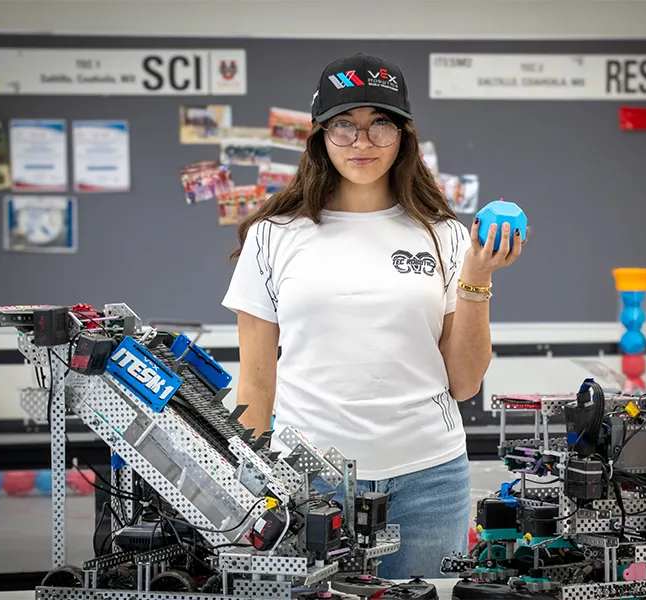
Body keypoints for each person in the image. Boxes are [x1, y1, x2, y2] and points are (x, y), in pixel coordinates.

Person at [221, 53, 527, 580]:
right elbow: (254, 385)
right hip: (310, 483)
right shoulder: (274, 236)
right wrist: (243, 489)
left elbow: (465, 380)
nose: (361, 142)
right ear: (320, 135)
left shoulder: (446, 235)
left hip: (429, 480)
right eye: (344, 125)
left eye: (379, 124)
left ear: (403, 135)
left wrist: (478, 276)